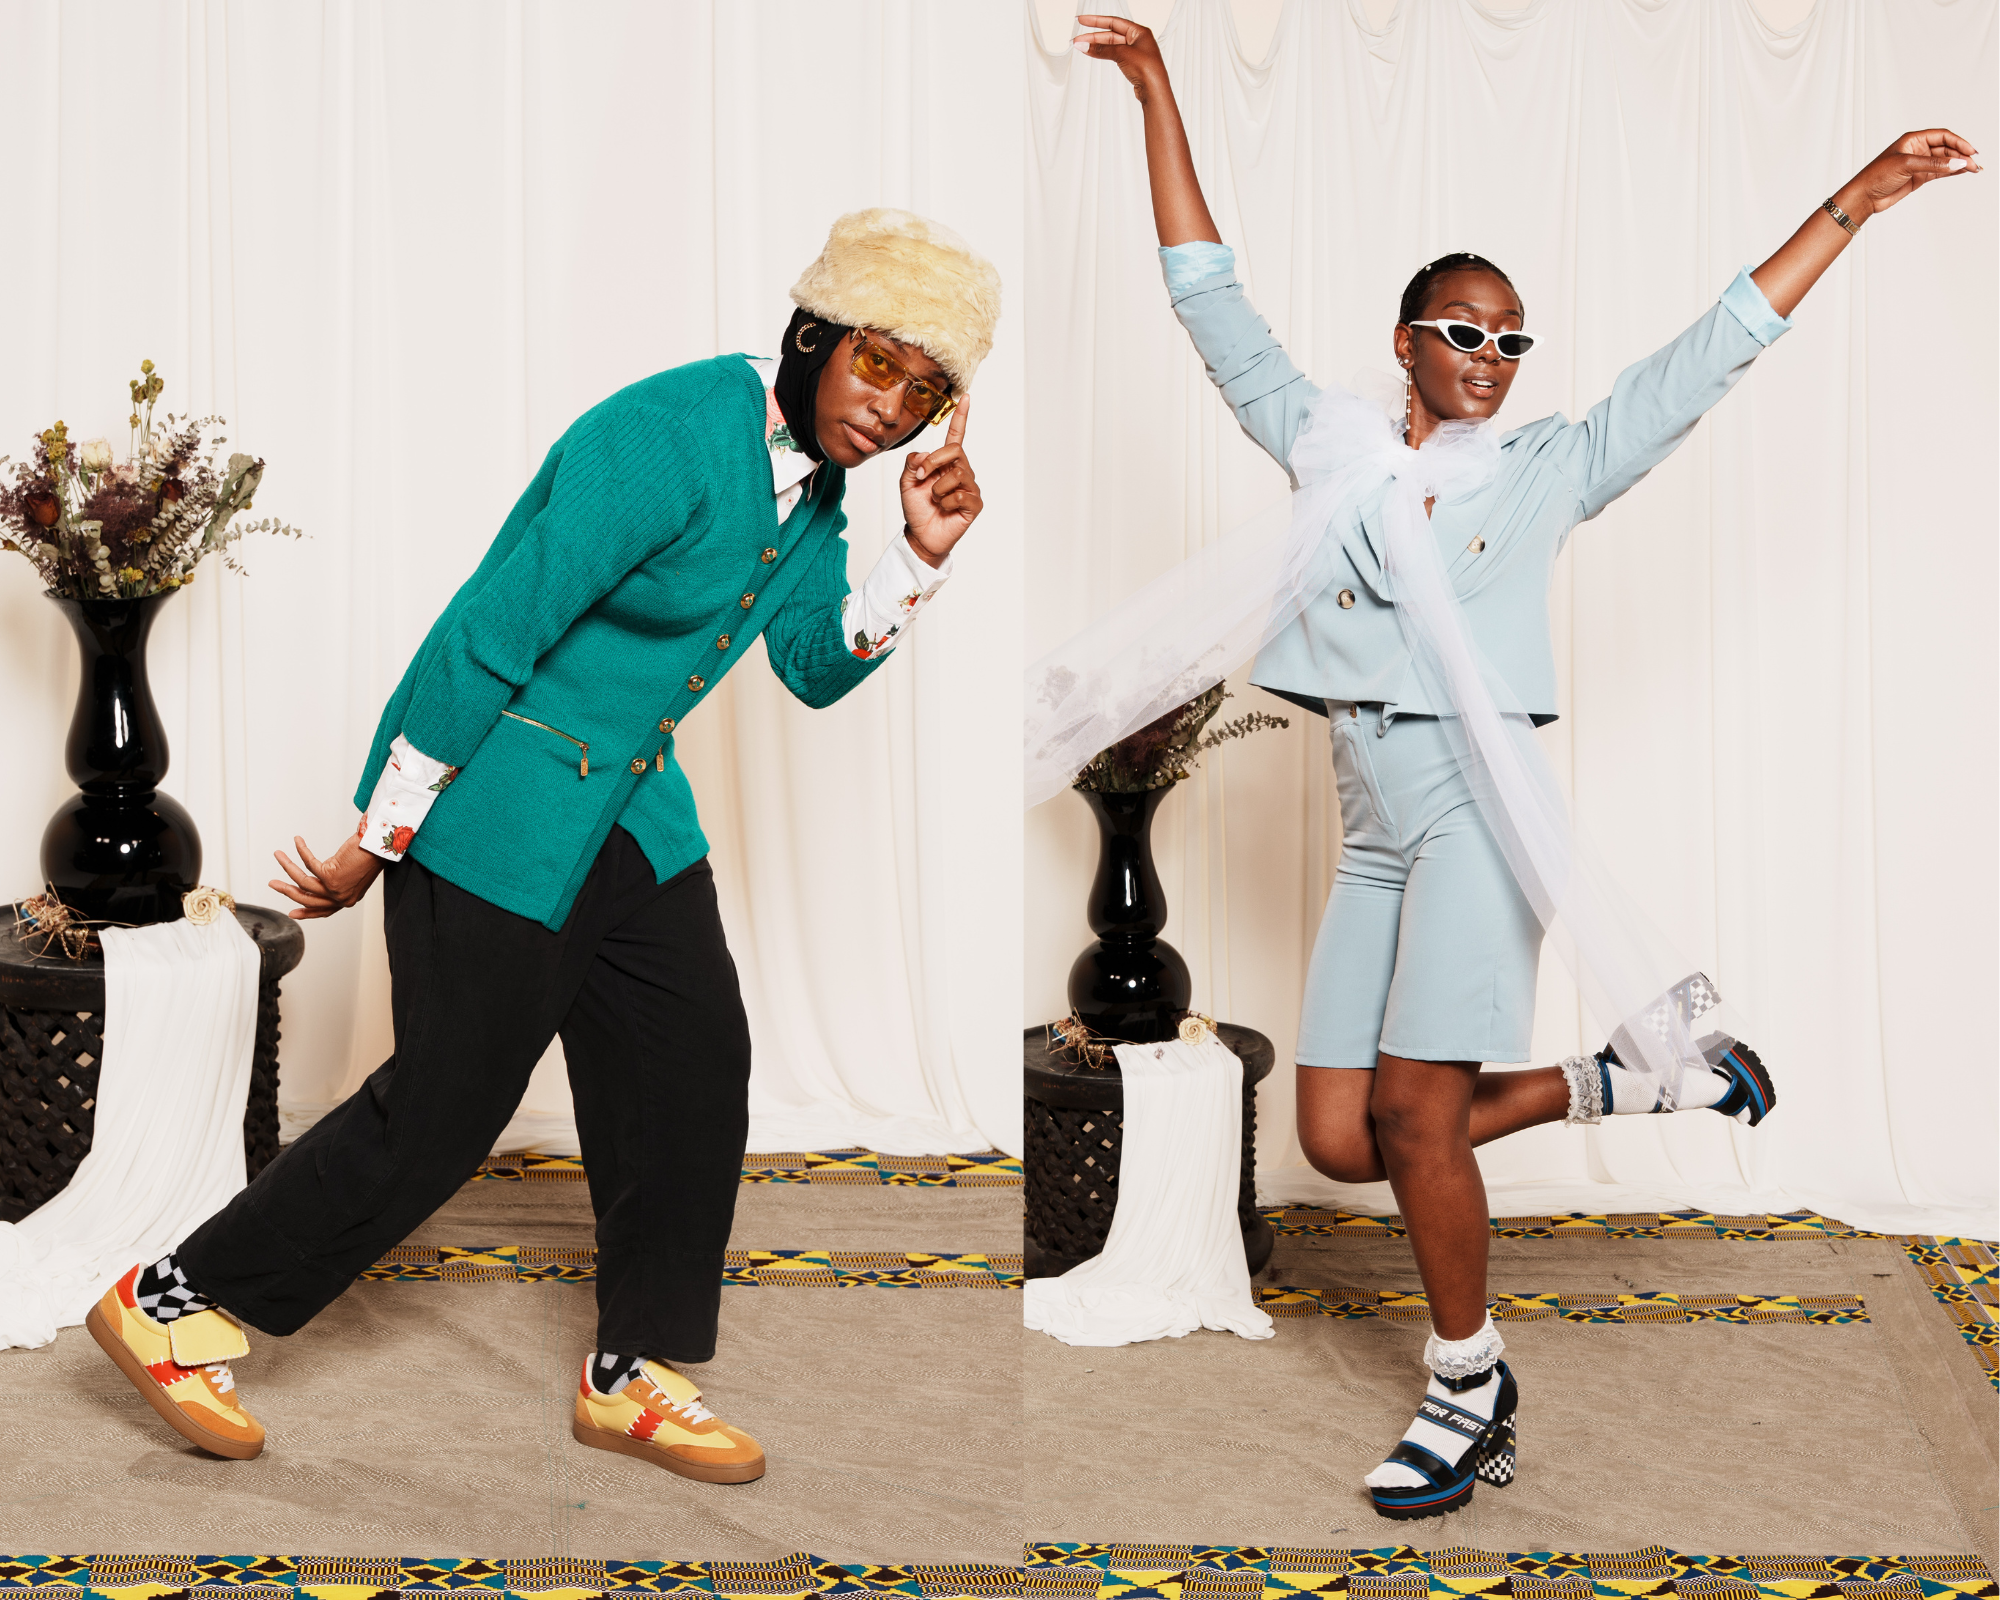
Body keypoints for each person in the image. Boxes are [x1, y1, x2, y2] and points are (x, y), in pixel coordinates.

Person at [1066, 14, 1977, 1522]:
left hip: (1483, 819)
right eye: (1464, 333)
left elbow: (1706, 359)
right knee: (1339, 1136)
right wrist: (1157, 92)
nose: (1491, 358)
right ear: (1408, 340)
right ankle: (1619, 1076)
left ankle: (1468, 1388)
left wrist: (1857, 200)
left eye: (1512, 339)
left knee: (1421, 1120)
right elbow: (1205, 297)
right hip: (1369, 819)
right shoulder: (1329, 449)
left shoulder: (1553, 465)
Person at [86, 208, 1001, 1483]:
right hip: (501, 807)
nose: (892, 408)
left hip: (633, 812)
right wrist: (377, 835)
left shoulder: (826, 490)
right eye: (875, 365)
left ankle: (632, 1374)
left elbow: (806, 667)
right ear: (810, 336)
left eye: (925, 389)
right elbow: (487, 628)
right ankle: (170, 1301)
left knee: (693, 1066)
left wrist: (913, 554)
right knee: (447, 1106)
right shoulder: (667, 432)